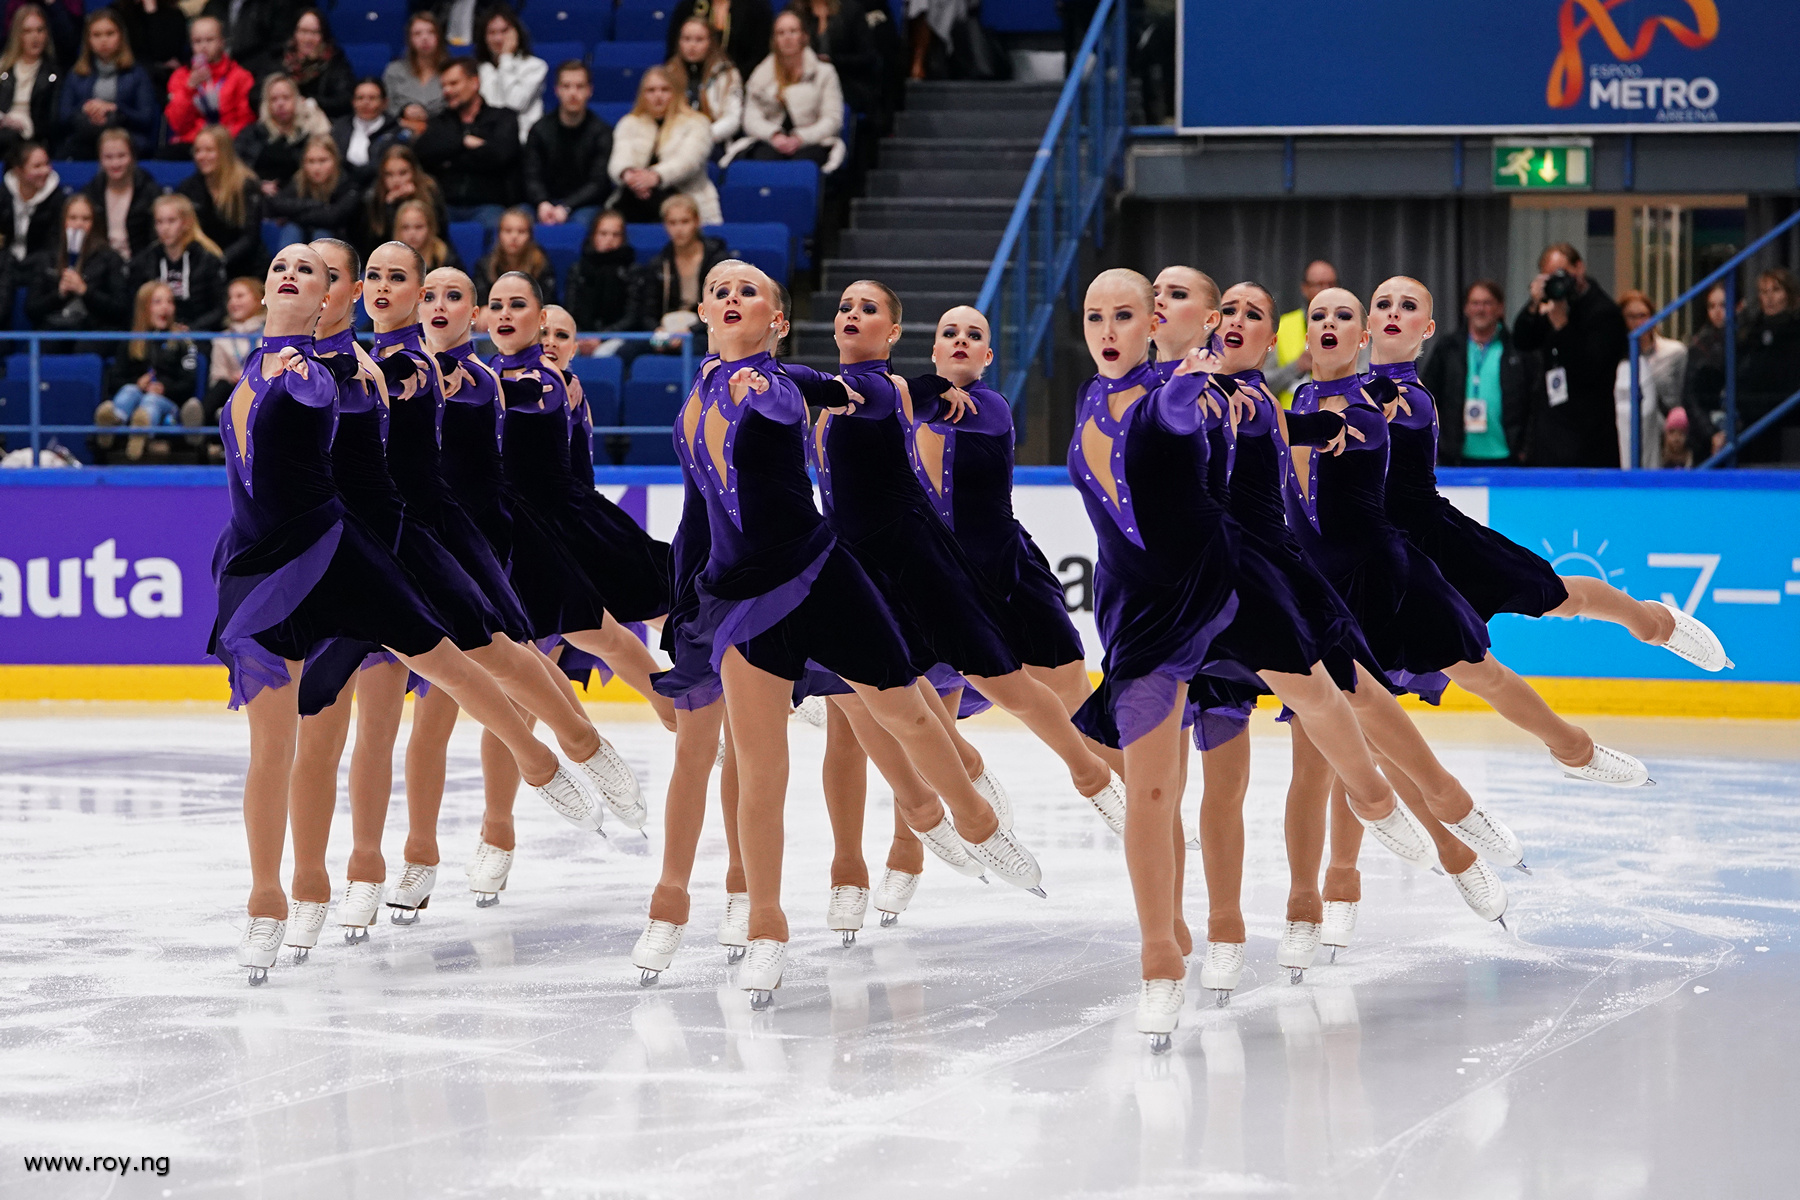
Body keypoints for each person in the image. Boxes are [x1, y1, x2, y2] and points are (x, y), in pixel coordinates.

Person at [215, 244, 608, 984]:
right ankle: (277, 895)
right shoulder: (257, 368)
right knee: (281, 744)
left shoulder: (341, 373)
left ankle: (543, 756)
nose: (293, 275)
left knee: (450, 661)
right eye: (280, 268)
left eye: (315, 272)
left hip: (345, 553)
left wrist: (341, 367)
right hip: (259, 567)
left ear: (333, 298)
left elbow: (343, 395)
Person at [659, 261, 1044, 1008]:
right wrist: (685, 604)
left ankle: (975, 820)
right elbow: (696, 514)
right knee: (760, 768)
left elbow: (823, 390)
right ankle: (766, 926)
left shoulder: (777, 385)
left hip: (822, 575)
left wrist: (893, 388)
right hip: (740, 599)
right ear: (703, 310)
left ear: (776, 321)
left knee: (902, 708)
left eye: (749, 291)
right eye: (720, 290)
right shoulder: (694, 401)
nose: (732, 297)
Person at [1511, 241, 1628, 467]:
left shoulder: (1604, 312)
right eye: (1549, 277)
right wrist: (1534, 304)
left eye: (1561, 273)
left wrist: (1562, 326)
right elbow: (1522, 341)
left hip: (1589, 436)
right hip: (1549, 432)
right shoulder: (1552, 304)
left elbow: (1591, 370)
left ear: (1579, 267)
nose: (1558, 282)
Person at [1418, 280, 1540, 466]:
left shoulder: (1517, 348)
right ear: (1466, 308)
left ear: (1500, 308)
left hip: (1507, 457)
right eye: (1475, 303)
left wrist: (1526, 447)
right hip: (1456, 457)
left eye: (1487, 303)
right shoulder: (1448, 348)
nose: (1480, 309)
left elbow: (1534, 402)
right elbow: (1428, 396)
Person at [94, 280, 199, 461]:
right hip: (135, 399)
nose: (165, 307)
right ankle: (112, 421)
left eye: (170, 302)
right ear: (144, 308)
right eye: (157, 302)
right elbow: (115, 379)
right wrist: (138, 384)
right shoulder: (131, 341)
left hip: (168, 404)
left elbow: (189, 382)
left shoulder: (183, 341)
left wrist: (164, 388)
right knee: (129, 390)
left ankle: (141, 430)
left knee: (151, 400)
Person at [727, 10, 844, 173]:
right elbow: (751, 117)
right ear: (774, 39)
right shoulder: (760, 74)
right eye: (781, 33)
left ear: (804, 36)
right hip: (770, 141)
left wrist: (800, 138)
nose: (787, 37)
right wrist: (774, 136)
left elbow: (832, 119)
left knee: (803, 164)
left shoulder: (824, 73)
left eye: (793, 31)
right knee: (763, 160)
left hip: (813, 141)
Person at [607, 64, 721, 225]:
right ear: (642, 95)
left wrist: (655, 176)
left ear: (676, 93)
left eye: (665, 90)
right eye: (651, 90)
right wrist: (630, 176)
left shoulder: (697, 123)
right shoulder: (629, 123)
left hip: (684, 197)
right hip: (635, 196)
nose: (658, 96)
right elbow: (619, 158)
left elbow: (688, 161)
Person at [414, 56, 518, 228]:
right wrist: (463, 142)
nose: (447, 91)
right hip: (445, 204)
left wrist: (450, 158)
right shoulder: (439, 122)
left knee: (498, 226)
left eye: (453, 83)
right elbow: (423, 152)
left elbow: (500, 155)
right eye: (443, 86)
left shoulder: (502, 118)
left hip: (489, 204)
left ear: (474, 82)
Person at [622, 193, 727, 343]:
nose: (679, 229)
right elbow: (648, 311)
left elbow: (722, 306)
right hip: (668, 329)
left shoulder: (717, 261)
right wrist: (658, 330)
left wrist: (691, 331)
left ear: (697, 222)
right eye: (672, 223)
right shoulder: (658, 263)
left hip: (706, 331)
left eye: (685, 222)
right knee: (628, 350)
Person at [54, 9, 159, 159]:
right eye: (96, 35)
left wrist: (115, 109)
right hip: (85, 139)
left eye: (110, 34)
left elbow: (146, 118)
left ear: (121, 36)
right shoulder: (76, 75)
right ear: (88, 40)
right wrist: (86, 107)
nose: (103, 40)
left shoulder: (137, 74)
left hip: (126, 139)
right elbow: (63, 118)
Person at [23, 192, 130, 337]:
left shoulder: (109, 258)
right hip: (54, 327)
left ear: (94, 223)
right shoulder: (47, 257)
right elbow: (31, 310)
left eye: (86, 219)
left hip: (95, 330)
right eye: (73, 218)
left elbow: (120, 308)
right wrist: (59, 295)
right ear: (64, 221)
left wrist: (85, 291)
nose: (79, 224)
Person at [180, 273, 262, 458]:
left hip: (260, 387)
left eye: (240, 296)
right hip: (231, 390)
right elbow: (217, 375)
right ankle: (198, 419)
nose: (233, 302)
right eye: (230, 298)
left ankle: (204, 424)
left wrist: (248, 376)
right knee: (222, 385)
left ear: (258, 300)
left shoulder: (270, 333)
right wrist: (232, 377)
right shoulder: (222, 339)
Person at [523, 61, 611, 228]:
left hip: (584, 205)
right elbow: (531, 176)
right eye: (566, 86)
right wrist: (542, 202)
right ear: (557, 90)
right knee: (517, 220)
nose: (573, 93)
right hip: (544, 202)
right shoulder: (539, 130)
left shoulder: (601, 132)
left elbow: (598, 183)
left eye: (579, 87)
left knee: (581, 223)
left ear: (589, 91)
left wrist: (567, 206)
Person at [177, 123, 265, 279]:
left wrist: (220, 260)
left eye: (209, 150)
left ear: (224, 152)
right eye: (198, 151)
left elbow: (250, 238)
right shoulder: (188, 188)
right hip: (205, 268)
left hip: (244, 267)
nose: (201, 156)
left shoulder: (246, 185)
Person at [127, 192, 226, 329]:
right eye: (159, 222)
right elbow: (136, 306)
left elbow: (220, 308)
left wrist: (192, 328)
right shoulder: (145, 261)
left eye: (171, 221)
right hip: (155, 333)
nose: (165, 228)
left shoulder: (207, 258)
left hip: (198, 332)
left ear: (186, 223)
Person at [1613, 288, 1687, 470]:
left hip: (1667, 437)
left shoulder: (1675, 352)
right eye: (1631, 316)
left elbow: (1682, 396)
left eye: (1643, 315)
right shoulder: (1615, 359)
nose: (1638, 322)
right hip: (1625, 436)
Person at [1734, 267, 1800, 464]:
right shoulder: (1750, 333)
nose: (1769, 297)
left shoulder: (1796, 331)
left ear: (1789, 294)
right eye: (1764, 292)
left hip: (1791, 424)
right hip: (1754, 424)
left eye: (1776, 290)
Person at [163, 15, 255, 150]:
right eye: (197, 41)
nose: (203, 46)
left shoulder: (240, 76)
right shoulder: (180, 76)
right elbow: (178, 125)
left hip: (230, 142)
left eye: (210, 40)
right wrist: (189, 88)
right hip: (193, 142)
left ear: (222, 42)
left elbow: (246, 120)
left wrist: (221, 138)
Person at [234, 73, 330, 190]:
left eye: (286, 97)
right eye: (274, 99)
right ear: (266, 104)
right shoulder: (251, 134)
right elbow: (235, 167)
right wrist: (257, 186)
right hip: (258, 194)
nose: (280, 104)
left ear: (297, 100)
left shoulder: (308, 133)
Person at [1261, 258, 1336, 404]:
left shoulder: (1352, 326)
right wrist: (1297, 367)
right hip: (1289, 416)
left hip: (1337, 415)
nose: (1326, 290)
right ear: (1305, 288)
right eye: (1319, 284)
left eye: (1331, 284)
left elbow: (1365, 378)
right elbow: (1262, 383)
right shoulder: (1281, 326)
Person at [81, 127, 159, 259]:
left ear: (132, 157)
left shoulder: (150, 192)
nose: (115, 163)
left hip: (141, 263)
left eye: (121, 156)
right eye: (108, 157)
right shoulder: (91, 193)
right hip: (102, 263)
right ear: (100, 159)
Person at [796, 0, 880, 119]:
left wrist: (833, 61)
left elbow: (868, 57)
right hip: (803, 80)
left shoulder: (851, 10)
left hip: (845, 81)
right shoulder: (795, 11)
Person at [267, 132, 356, 243]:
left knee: (322, 233)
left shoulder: (347, 182)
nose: (316, 168)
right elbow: (277, 204)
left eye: (322, 160)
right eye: (311, 161)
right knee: (292, 230)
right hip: (303, 233)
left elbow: (332, 218)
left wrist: (291, 216)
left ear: (335, 160)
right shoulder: (299, 180)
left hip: (340, 240)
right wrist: (316, 204)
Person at [669, 18, 742, 152]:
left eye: (699, 40)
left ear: (711, 42)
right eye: (687, 39)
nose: (692, 45)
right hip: (674, 141)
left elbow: (732, 119)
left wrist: (701, 137)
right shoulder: (669, 73)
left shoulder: (727, 74)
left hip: (713, 141)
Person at [359, 143, 446, 254]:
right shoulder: (374, 198)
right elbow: (374, 244)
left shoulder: (430, 191)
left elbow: (440, 232)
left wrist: (413, 199)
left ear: (414, 172)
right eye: (389, 174)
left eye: (403, 173)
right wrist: (389, 206)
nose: (396, 181)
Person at [474, 3, 543, 141]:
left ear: (516, 33)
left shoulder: (535, 66)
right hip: (486, 141)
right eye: (492, 33)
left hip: (523, 141)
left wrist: (505, 58)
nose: (498, 39)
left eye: (504, 31)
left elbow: (514, 104)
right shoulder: (479, 69)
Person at [563, 207, 635, 337]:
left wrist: (603, 337)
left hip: (618, 337)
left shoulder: (632, 271)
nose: (609, 239)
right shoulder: (578, 270)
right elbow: (570, 311)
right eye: (603, 234)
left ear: (623, 238)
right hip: (580, 337)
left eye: (616, 235)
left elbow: (632, 316)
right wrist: (583, 336)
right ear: (593, 236)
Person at [0, 4, 57, 160]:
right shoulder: (3, 68)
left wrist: (23, 125)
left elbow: (52, 119)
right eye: (27, 31)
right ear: (17, 35)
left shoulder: (53, 73)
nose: (35, 37)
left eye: (40, 30)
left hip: (32, 139)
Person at [665, 0, 773, 82]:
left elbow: (762, 54)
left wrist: (731, 79)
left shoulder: (756, 6)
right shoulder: (689, 5)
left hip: (745, 82)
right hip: (691, 81)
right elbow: (674, 51)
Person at [1680, 282, 1728, 460]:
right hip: (1705, 436)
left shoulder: (1748, 340)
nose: (1717, 312)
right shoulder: (1699, 345)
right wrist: (1711, 433)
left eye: (1723, 305)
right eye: (1711, 306)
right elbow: (1689, 395)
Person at [278, 7, 351, 121]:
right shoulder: (280, 59)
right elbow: (258, 95)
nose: (308, 39)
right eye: (303, 31)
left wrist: (310, 102)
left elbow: (344, 101)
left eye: (314, 32)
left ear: (323, 36)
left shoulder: (336, 62)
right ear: (295, 34)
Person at [471, 205, 552, 302]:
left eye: (521, 232)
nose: (514, 236)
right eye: (508, 231)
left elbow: (546, 304)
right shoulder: (485, 265)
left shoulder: (541, 265)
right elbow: (480, 305)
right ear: (499, 235)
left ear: (530, 236)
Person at [3, 137, 65, 263]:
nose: (45, 171)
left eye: (47, 164)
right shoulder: (3, 195)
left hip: (40, 265)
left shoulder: (59, 200)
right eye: (37, 166)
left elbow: (55, 246)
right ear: (18, 170)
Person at [384, 12, 446, 119]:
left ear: (438, 37)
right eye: (417, 34)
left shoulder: (451, 71)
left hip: (443, 126)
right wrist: (403, 111)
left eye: (431, 32)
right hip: (402, 125)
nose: (425, 38)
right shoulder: (394, 71)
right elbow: (386, 107)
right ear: (410, 39)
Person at [393, 195, 458, 270]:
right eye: (405, 227)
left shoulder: (445, 258)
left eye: (418, 227)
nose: (412, 233)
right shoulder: (389, 259)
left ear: (430, 228)